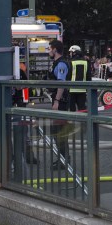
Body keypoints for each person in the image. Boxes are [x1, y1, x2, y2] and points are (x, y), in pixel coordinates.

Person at [46, 40, 72, 169]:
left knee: (59, 130)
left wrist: (56, 101)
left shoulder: (61, 64)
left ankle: (64, 160)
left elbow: (61, 83)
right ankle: (62, 158)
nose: (48, 51)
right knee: (57, 131)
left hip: (60, 100)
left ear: (55, 49)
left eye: (49, 48)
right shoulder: (57, 63)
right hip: (58, 98)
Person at [68, 45, 91, 112]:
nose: (70, 54)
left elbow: (68, 76)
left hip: (72, 90)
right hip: (82, 90)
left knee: (72, 110)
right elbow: (88, 77)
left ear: (74, 52)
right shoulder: (86, 62)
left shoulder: (71, 62)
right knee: (82, 110)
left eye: (71, 52)